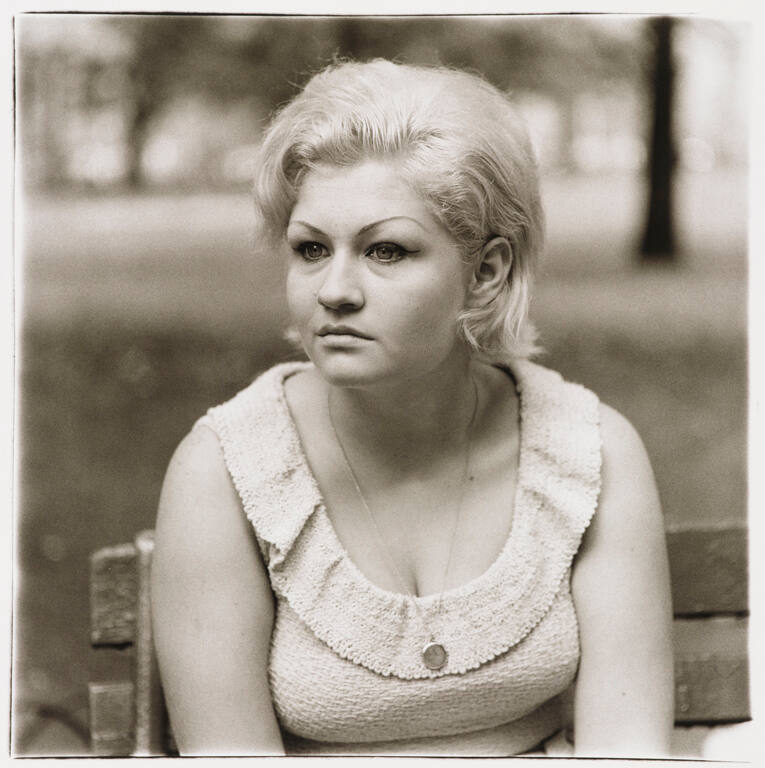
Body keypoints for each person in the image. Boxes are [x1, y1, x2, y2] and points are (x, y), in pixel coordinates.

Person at [150, 59, 674, 757]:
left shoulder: (589, 454)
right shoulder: (225, 473)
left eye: (386, 251)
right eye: (310, 249)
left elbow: (627, 748)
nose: (334, 289)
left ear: (484, 272)